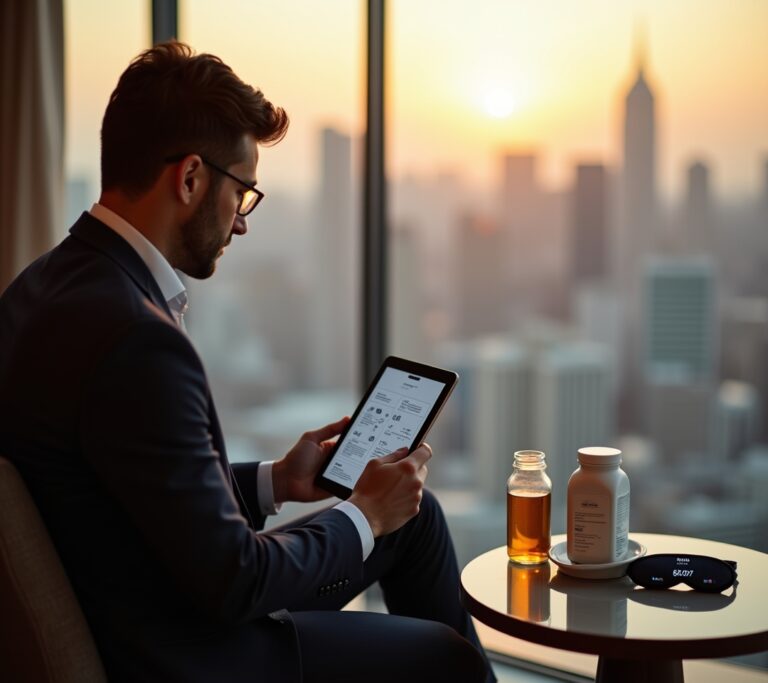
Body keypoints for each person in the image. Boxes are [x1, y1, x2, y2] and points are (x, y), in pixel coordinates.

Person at [0, 42, 495, 683]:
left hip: (152, 602)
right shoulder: (136, 339)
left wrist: (277, 481)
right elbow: (236, 581)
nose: (242, 223)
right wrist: (364, 514)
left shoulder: (39, 289)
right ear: (189, 179)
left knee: (415, 515)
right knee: (444, 652)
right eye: (244, 192)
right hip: (195, 654)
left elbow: (131, 489)